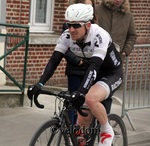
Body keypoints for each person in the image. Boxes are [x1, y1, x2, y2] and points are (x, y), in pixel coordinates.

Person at [27, 3, 123, 146]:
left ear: (88, 25)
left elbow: (95, 65)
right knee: (82, 120)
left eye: (76, 25)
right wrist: (39, 84)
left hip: (111, 73)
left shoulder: (100, 35)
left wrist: (81, 92)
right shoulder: (67, 36)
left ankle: (106, 129)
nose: (71, 29)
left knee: (90, 98)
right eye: (69, 25)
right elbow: (54, 61)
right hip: (92, 71)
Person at [62, 0, 100, 125]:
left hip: (89, 69)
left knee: (87, 101)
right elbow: (64, 49)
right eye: (85, 5)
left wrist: (90, 61)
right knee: (72, 100)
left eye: (90, 6)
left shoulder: (93, 26)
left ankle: (87, 128)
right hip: (74, 68)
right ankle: (70, 128)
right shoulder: (70, 25)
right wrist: (77, 60)